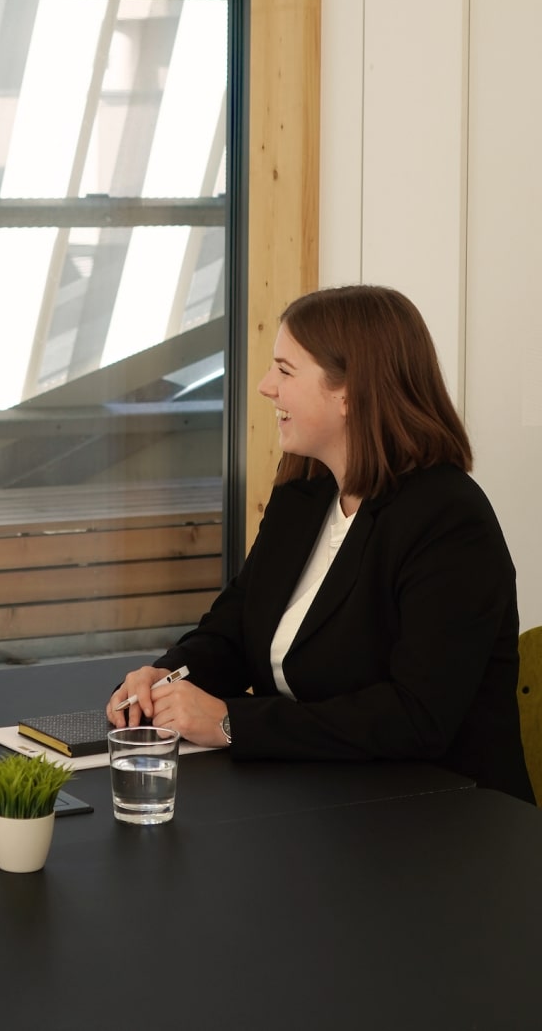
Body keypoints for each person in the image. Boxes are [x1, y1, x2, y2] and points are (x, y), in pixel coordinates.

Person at [107, 284, 534, 803]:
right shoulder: (304, 493)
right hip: (319, 802)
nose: (266, 387)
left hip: (440, 819)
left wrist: (230, 721)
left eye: (285, 371)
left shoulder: (448, 520)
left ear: (350, 392)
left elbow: (416, 716)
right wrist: (166, 678)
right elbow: (236, 629)